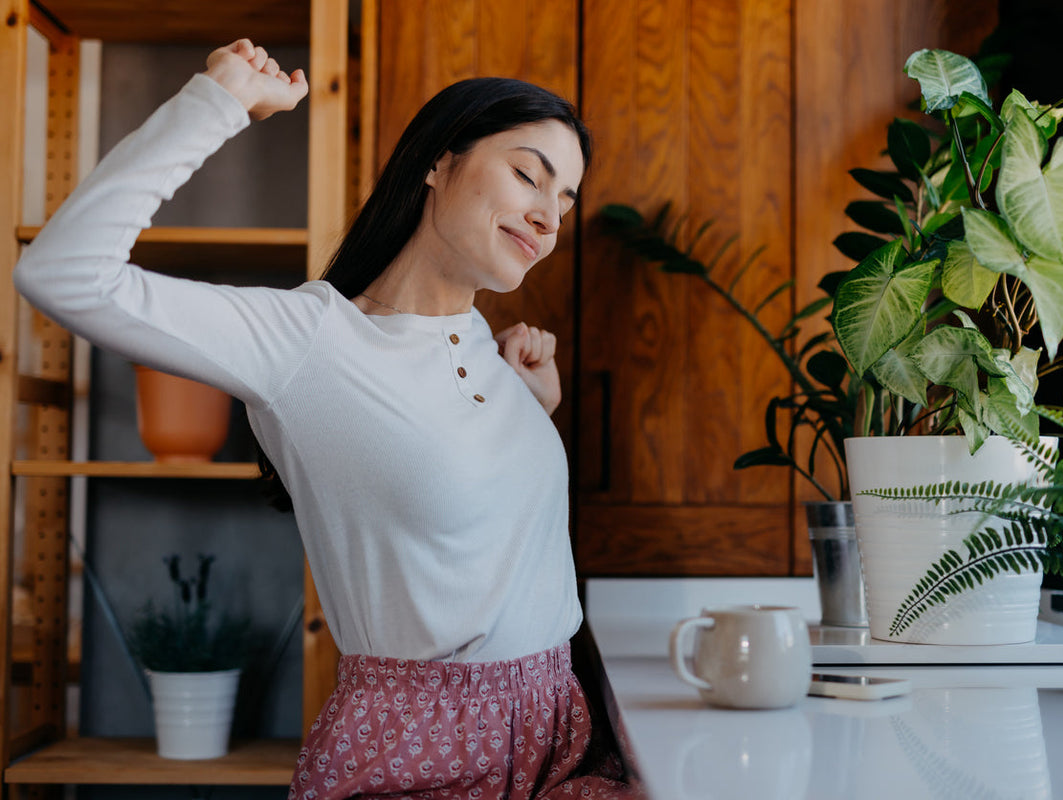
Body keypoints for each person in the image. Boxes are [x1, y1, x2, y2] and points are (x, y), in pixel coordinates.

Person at [14, 39, 637, 800]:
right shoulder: (309, 339)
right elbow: (62, 273)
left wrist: (533, 411)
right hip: (424, 756)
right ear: (437, 164)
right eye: (526, 176)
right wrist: (217, 103)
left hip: (560, 727)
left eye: (564, 201)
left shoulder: (487, 349)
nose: (547, 217)